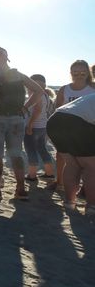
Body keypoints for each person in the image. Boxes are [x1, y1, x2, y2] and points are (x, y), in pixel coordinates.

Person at [0, 47, 43, 201]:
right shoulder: (17, 74)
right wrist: (25, 107)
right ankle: (21, 189)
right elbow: (39, 90)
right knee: (16, 153)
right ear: (7, 58)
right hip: (16, 118)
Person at [48, 60, 95, 191]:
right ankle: (59, 182)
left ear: (88, 73)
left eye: (82, 72)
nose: (79, 75)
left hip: (88, 129)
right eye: (75, 72)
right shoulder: (65, 89)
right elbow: (57, 109)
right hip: (66, 128)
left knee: (86, 160)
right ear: (71, 73)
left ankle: (85, 188)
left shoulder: (93, 88)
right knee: (62, 156)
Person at [47, 93, 95, 215]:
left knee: (72, 164)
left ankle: (69, 202)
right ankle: (91, 206)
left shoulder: (90, 96)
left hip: (55, 121)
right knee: (91, 167)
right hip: (77, 123)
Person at [24, 74, 56, 181]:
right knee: (42, 149)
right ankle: (50, 173)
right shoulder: (46, 95)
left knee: (30, 149)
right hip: (42, 126)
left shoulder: (37, 95)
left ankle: (32, 175)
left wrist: (30, 124)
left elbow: (37, 110)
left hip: (34, 126)